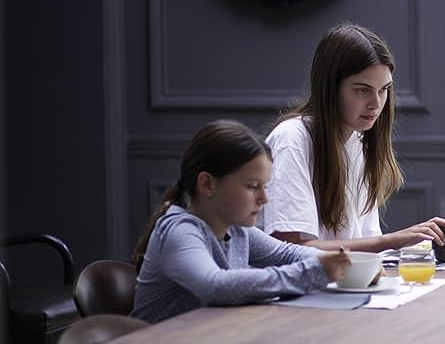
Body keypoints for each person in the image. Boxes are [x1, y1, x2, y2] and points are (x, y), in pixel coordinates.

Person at [131, 120, 352, 324]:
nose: (264, 199)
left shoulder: (235, 227)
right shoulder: (179, 231)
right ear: (207, 184)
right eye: (252, 186)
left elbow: (286, 254)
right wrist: (313, 272)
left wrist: (347, 264)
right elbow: (215, 286)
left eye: (264, 186)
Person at [258, 24, 445, 251]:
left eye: (384, 89)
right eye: (362, 90)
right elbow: (291, 250)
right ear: (330, 88)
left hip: (351, 283)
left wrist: (397, 246)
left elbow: (365, 245)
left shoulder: (357, 142)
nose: (376, 104)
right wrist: (390, 241)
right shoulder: (292, 140)